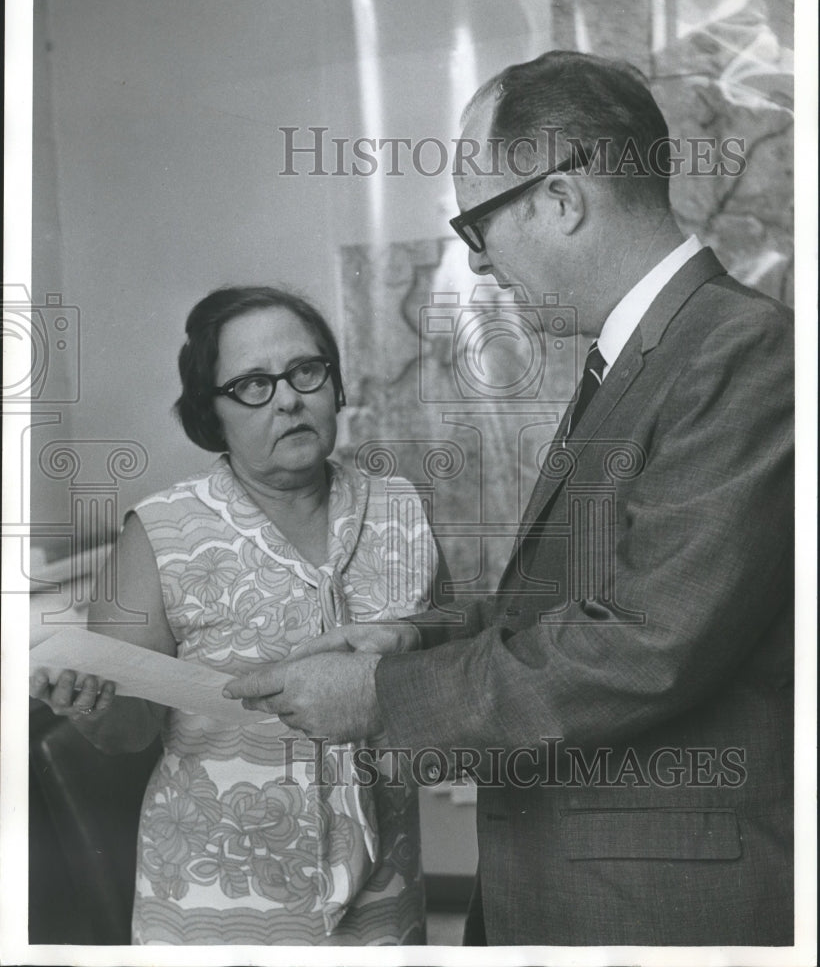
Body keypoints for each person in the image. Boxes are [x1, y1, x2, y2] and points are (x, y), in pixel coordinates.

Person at [224, 52, 795, 946]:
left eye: (477, 225)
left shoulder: (743, 353)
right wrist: (418, 634)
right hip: (572, 891)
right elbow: (581, 600)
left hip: (653, 913)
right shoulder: (646, 353)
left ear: (561, 201)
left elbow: (648, 645)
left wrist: (384, 695)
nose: (480, 265)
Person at [30, 286, 440, 945]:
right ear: (210, 415)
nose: (287, 398)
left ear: (334, 386)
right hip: (214, 902)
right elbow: (129, 731)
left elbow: (436, 680)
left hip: (382, 893)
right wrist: (90, 701)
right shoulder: (160, 532)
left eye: (306, 371)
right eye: (252, 384)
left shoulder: (401, 507)